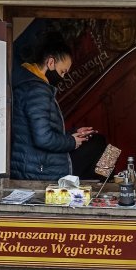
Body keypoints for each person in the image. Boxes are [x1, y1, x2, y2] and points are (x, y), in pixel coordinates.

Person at [10, 32, 99, 180]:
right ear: (50, 63)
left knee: (96, 143)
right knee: (99, 145)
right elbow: (43, 139)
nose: (63, 78)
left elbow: (40, 130)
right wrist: (71, 141)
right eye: (62, 72)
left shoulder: (28, 84)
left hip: (34, 164)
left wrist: (72, 134)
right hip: (38, 170)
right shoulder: (37, 90)